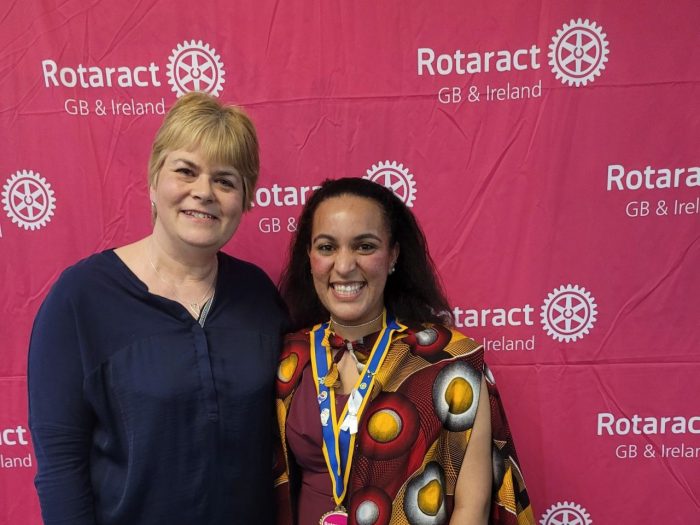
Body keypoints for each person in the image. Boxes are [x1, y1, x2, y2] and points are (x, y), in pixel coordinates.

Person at [28, 92, 288, 525]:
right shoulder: (81, 298)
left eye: (225, 180)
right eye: (186, 171)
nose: (203, 192)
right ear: (153, 181)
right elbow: (60, 467)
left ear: (245, 200)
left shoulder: (259, 296)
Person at [274, 177, 534, 525]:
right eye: (327, 247)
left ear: (393, 254)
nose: (345, 265)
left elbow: (473, 509)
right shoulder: (289, 357)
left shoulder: (450, 362)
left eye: (365, 246)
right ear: (309, 256)